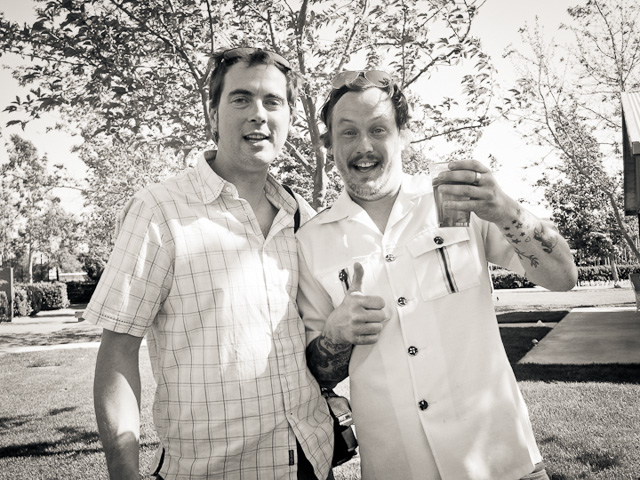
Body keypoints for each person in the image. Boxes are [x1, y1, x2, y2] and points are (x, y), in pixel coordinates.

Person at [296, 70, 578, 480]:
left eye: (378, 129)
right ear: (329, 144)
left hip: (502, 461)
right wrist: (336, 335)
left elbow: (563, 276)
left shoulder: (460, 200)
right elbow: (319, 373)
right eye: (348, 132)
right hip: (397, 468)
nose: (364, 146)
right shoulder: (310, 242)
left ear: (404, 135)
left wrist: (505, 210)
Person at [85, 47, 334, 480]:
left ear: (290, 118)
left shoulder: (301, 216)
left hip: (311, 462)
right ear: (213, 114)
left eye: (273, 101)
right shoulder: (159, 211)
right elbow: (118, 351)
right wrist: (123, 473)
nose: (258, 114)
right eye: (241, 99)